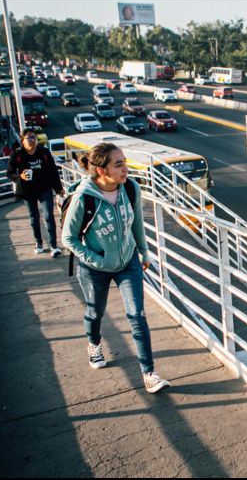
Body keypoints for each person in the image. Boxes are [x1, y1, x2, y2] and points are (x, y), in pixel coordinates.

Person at [61, 142, 170, 393]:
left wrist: (143, 252)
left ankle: (149, 373)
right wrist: (97, 261)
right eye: (118, 164)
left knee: (137, 315)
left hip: (128, 262)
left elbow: (137, 224)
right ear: (101, 170)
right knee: (95, 313)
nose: (125, 169)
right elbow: (69, 238)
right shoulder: (84, 198)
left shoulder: (130, 188)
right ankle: (94, 343)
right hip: (94, 268)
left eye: (125, 162)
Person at [6, 128, 65, 257]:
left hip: (45, 189)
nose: (33, 140)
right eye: (29, 138)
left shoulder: (44, 152)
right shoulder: (17, 154)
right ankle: (39, 242)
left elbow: (53, 171)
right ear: (22, 141)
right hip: (28, 191)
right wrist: (20, 177)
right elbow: (9, 173)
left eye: (34, 137)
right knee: (34, 217)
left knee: (49, 216)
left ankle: (54, 245)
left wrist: (58, 188)